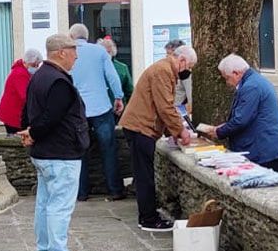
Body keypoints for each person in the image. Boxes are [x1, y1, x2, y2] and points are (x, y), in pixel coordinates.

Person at [18, 33, 92, 251]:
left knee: (44, 202)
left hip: (44, 153)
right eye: (73, 50)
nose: (76, 56)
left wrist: (29, 132)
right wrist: (34, 133)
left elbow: (27, 111)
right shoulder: (58, 81)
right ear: (61, 52)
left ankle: (45, 250)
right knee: (60, 204)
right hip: (60, 153)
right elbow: (52, 117)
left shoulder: (39, 76)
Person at [119, 45, 197, 232]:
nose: (188, 71)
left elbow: (163, 108)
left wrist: (173, 132)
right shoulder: (163, 71)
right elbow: (165, 107)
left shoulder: (164, 69)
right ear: (182, 60)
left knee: (144, 174)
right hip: (141, 128)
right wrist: (181, 132)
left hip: (140, 127)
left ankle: (148, 214)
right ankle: (148, 219)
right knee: (145, 176)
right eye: (190, 66)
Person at [197, 54, 278, 173]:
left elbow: (241, 120)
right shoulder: (254, 81)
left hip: (265, 146)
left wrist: (219, 132)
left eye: (227, 78)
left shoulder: (251, 87)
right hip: (268, 143)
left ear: (236, 73)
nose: (227, 82)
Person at [68, 23, 126, 201]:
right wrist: (118, 97)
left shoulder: (67, 52)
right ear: (87, 36)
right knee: (108, 149)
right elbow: (112, 76)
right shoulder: (99, 51)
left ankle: (82, 192)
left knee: (80, 151)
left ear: (71, 36)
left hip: (77, 109)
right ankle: (115, 189)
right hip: (101, 107)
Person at [0, 48, 43, 134]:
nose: (36, 68)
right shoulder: (20, 74)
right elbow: (26, 96)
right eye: (35, 65)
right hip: (13, 115)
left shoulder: (23, 71)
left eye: (38, 65)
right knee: (17, 140)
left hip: (14, 113)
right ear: (28, 63)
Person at [98, 37, 132, 107]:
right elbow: (130, 92)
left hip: (110, 109)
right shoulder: (122, 68)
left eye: (108, 52)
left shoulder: (122, 68)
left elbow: (129, 92)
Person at [166, 39, 194, 118]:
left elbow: (191, 101)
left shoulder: (185, 73)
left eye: (169, 54)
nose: (167, 57)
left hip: (178, 114)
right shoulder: (174, 71)